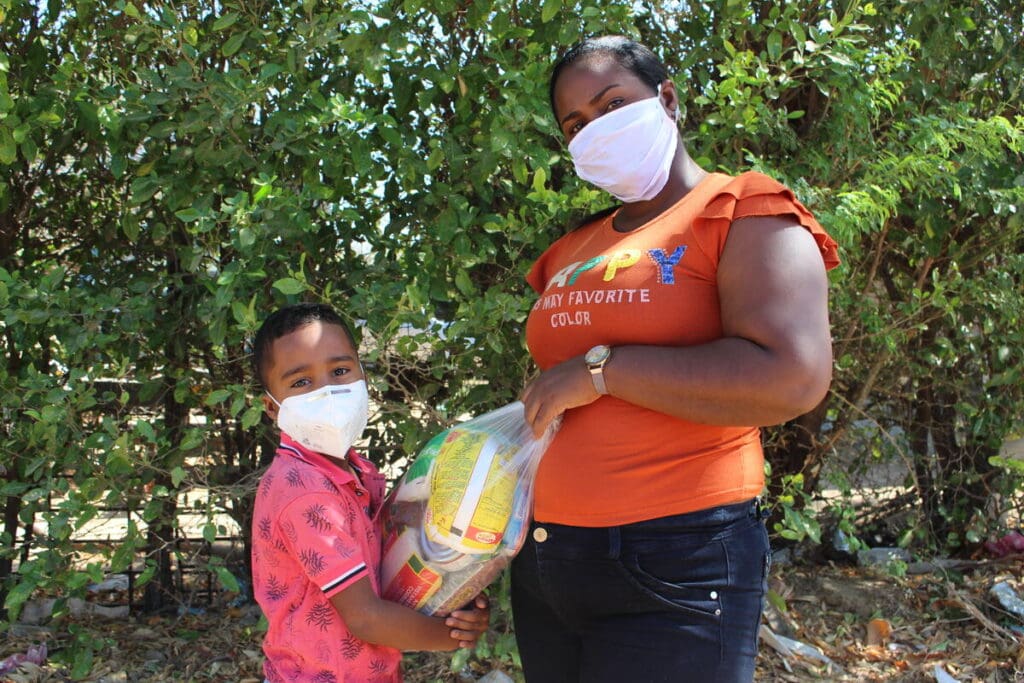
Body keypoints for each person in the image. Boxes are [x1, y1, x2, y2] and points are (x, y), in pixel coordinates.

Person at [514, 36, 841, 682]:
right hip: (548, 561)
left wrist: (602, 372)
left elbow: (793, 375)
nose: (594, 131)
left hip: (676, 557)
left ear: (667, 98)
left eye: (611, 105)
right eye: (575, 124)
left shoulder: (741, 210)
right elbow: (552, 387)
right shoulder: (569, 249)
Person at [250, 302, 490, 683]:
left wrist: (458, 599)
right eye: (301, 382)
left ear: (364, 377)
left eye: (340, 371)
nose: (327, 391)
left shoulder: (354, 472)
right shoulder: (304, 491)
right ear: (271, 407)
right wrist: (450, 637)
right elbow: (365, 617)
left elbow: (390, 561)